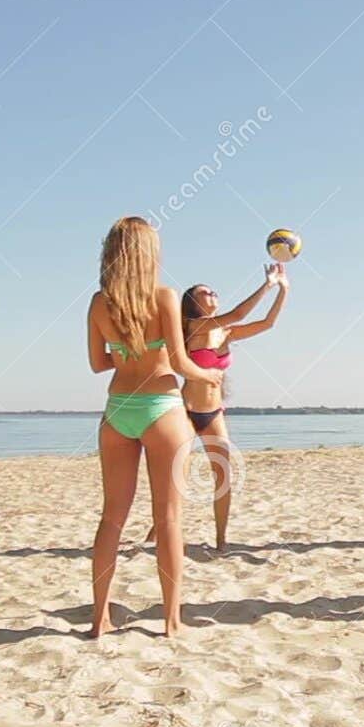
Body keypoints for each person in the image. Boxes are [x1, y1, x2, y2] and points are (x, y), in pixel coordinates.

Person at [85, 217, 223, 637]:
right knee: (168, 519)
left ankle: (100, 620)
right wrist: (208, 378)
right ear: (149, 254)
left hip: (116, 409)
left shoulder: (98, 302)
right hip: (161, 408)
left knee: (112, 518)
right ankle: (170, 620)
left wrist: (128, 353)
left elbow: (96, 363)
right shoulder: (163, 297)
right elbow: (181, 364)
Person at [145, 263, 289, 551]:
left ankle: (221, 540)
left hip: (213, 412)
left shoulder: (226, 333)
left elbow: (267, 323)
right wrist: (268, 283)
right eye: (205, 292)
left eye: (213, 292)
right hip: (184, 410)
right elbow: (238, 313)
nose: (212, 294)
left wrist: (283, 289)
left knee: (223, 474)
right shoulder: (192, 327)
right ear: (193, 304)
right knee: (176, 476)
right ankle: (155, 532)